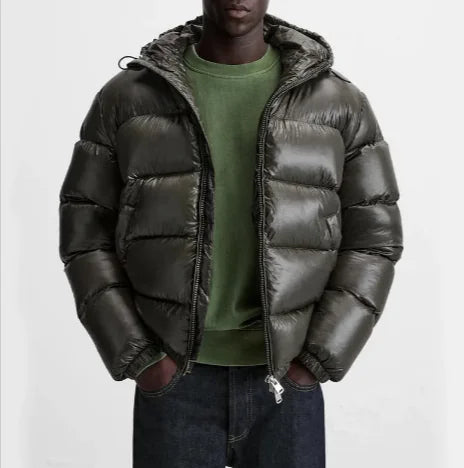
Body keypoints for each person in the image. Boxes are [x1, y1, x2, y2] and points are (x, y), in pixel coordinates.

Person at [58, 1, 403, 467]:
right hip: (174, 379)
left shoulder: (337, 102)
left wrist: (317, 359)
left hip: (286, 382)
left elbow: (374, 239)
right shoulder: (129, 97)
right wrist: (141, 358)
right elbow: (84, 232)